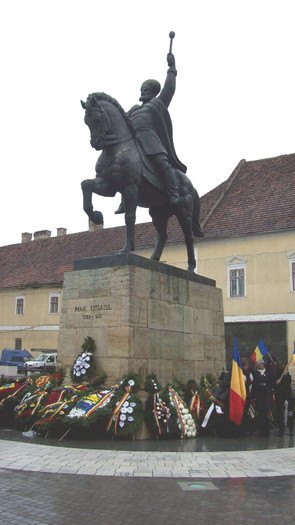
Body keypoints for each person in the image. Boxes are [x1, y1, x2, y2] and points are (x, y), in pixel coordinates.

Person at [115, 51, 186, 214]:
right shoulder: (133, 110)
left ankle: (173, 192)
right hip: (133, 144)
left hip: (151, 142)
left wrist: (172, 68)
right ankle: (124, 200)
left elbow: (170, 88)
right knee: (123, 165)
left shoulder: (157, 104)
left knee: (162, 163)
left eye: (146, 89)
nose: (143, 92)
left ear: (153, 92)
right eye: (142, 89)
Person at [252, 357, 276, 437]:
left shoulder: (268, 372)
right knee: (261, 413)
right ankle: (262, 430)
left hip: (267, 394)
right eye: (260, 365)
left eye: (262, 364)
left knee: (266, 413)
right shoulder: (256, 373)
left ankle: (266, 430)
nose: (261, 366)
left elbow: (272, 379)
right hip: (259, 395)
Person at [274, 359, 294, 436]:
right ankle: (281, 430)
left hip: (287, 393)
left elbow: (289, 381)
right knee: (280, 412)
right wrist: (276, 382)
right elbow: (271, 382)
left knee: (290, 411)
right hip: (279, 394)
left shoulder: (283, 372)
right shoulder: (273, 372)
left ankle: (291, 430)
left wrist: (286, 374)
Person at [240, 357, 254, 434]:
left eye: (246, 366)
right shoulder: (239, 374)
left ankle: (245, 429)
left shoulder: (250, 373)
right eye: (243, 366)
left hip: (248, 395)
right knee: (241, 413)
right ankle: (240, 429)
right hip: (242, 396)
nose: (245, 367)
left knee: (245, 412)